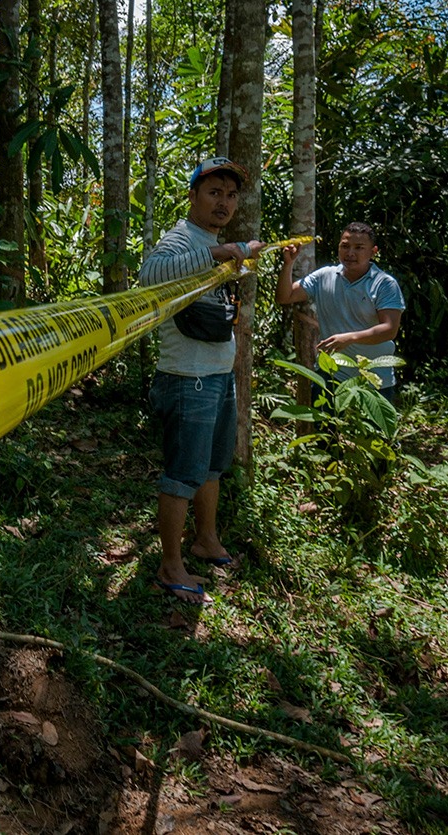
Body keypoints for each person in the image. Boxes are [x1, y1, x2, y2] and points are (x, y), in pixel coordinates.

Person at [138, 157, 264, 605]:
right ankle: (170, 565)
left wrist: (238, 256)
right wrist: (217, 253)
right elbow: (148, 277)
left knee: (211, 466)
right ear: (193, 196)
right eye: (214, 193)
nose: (223, 203)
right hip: (185, 376)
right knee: (183, 473)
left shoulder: (211, 241)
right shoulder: (180, 240)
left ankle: (205, 540)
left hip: (216, 374)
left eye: (231, 195)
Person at [277, 222, 405, 404]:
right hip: (331, 375)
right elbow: (285, 296)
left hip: (374, 379)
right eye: (345, 246)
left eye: (359, 248)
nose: (350, 253)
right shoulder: (323, 277)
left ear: (373, 251)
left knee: (372, 433)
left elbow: (389, 329)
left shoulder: (384, 284)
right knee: (324, 432)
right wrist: (288, 264)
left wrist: (349, 338)